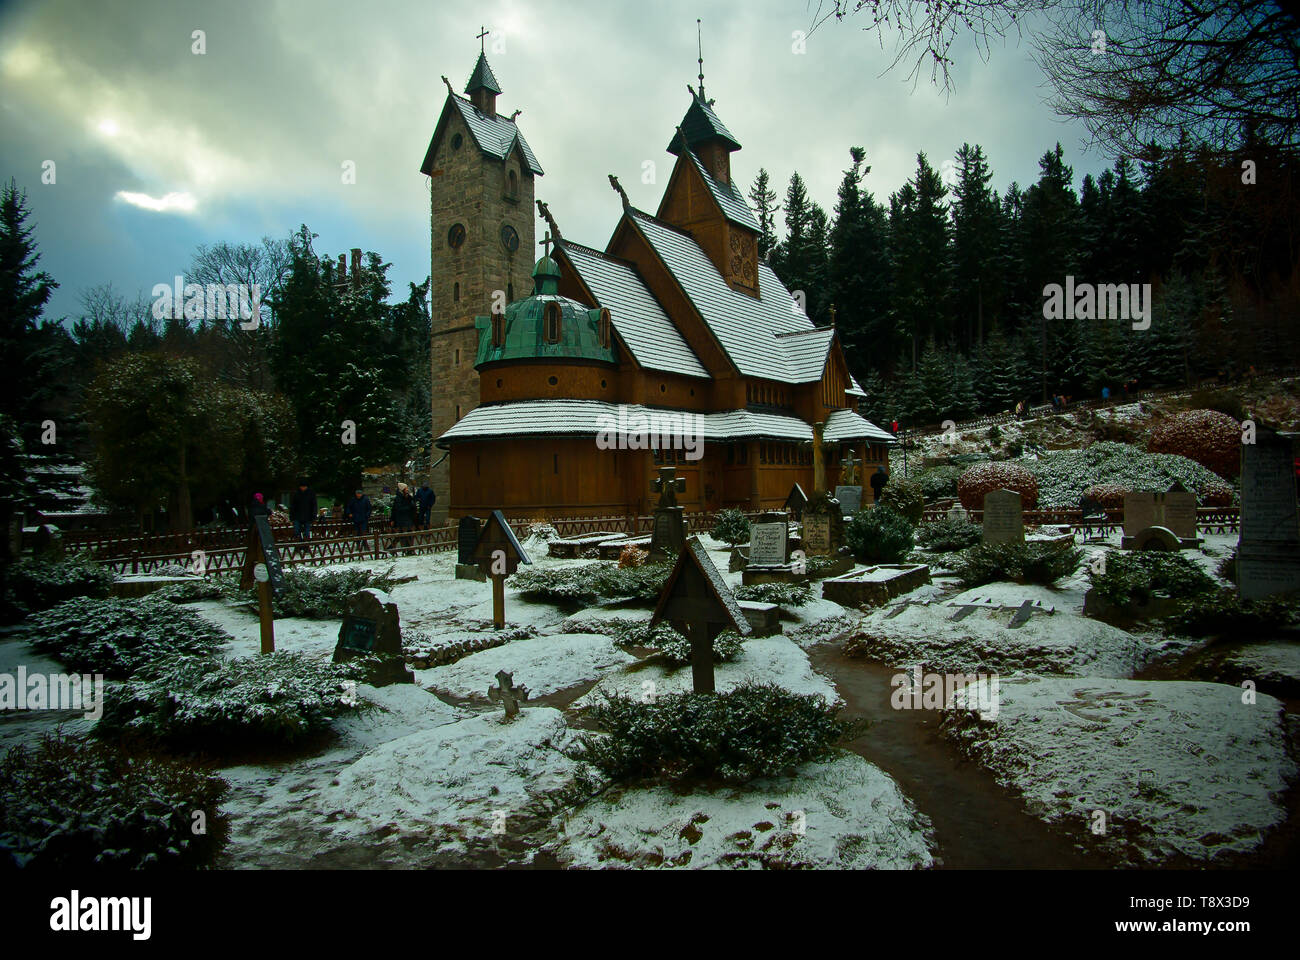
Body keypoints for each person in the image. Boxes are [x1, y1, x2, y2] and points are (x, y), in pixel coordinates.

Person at [390, 482, 416, 551]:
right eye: (406, 488)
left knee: (406, 534)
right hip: (402, 519)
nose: (407, 490)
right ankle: (406, 549)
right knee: (403, 534)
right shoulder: (398, 498)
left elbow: (412, 504)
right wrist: (409, 507)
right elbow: (397, 509)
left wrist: (410, 498)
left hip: (408, 518)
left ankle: (408, 548)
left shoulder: (407, 497)